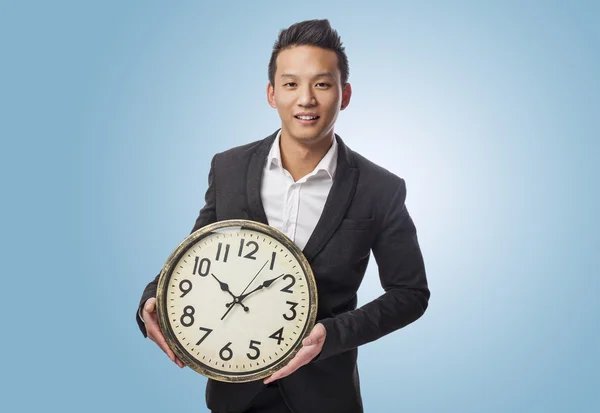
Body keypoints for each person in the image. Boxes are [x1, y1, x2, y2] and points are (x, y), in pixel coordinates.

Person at [136, 19, 430, 413]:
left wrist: (333, 334)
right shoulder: (229, 167)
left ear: (344, 95)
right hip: (233, 395)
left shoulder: (381, 188)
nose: (305, 99)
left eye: (322, 84)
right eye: (291, 84)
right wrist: (152, 299)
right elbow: (197, 255)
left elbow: (410, 294)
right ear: (272, 94)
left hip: (325, 397)